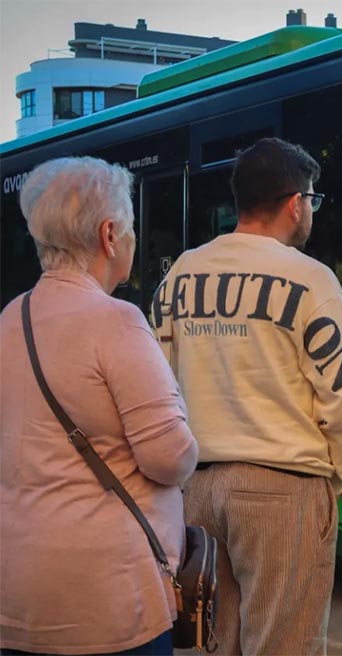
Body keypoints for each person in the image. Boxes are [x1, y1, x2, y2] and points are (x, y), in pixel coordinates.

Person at [150, 137, 342, 655]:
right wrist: (339, 471)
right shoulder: (309, 279)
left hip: (199, 490)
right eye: (311, 200)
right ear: (296, 203)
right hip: (283, 488)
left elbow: (156, 382)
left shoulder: (182, 273)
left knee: (210, 644)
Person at [0, 157, 198, 655]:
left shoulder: (9, 319)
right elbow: (169, 457)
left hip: (16, 594)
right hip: (107, 602)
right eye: (130, 226)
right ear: (110, 235)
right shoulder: (116, 322)